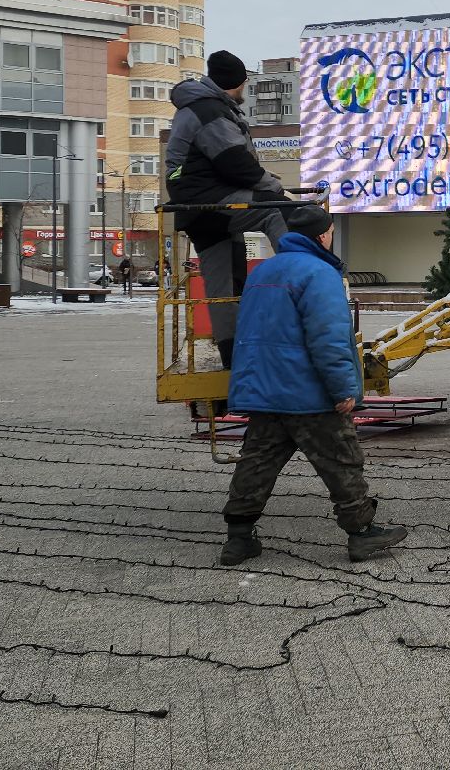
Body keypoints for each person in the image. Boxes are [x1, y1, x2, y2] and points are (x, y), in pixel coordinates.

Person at [218, 204, 407, 565]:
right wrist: (343, 390)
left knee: (256, 464)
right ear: (323, 235)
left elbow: (248, 331)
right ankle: (362, 534)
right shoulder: (319, 273)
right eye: (331, 231)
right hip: (309, 395)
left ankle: (238, 539)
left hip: (267, 392)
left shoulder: (264, 271)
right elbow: (330, 338)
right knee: (342, 462)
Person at [165, 51, 288, 371]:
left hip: (198, 208)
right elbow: (236, 163)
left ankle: (233, 359)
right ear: (239, 83)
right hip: (211, 202)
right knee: (276, 211)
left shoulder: (199, 107)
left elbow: (227, 164)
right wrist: (274, 187)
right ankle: (300, 277)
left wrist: (263, 183)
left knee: (224, 288)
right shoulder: (211, 111)